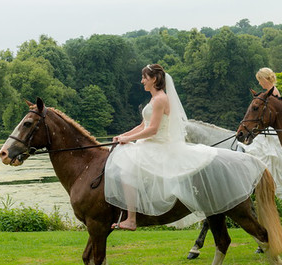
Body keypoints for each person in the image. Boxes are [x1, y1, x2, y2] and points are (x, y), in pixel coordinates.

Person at [105, 64, 266, 230]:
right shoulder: (154, 99)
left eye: (144, 77)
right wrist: (122, 136)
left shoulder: (160, 99)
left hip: (158, 144)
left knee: (127, 170)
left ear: (154, 79)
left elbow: (152, 130)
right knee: (124, 162)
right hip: (149, 143)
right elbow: (142, 125)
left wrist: (128, 139)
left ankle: (131, 219)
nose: (142, 81)